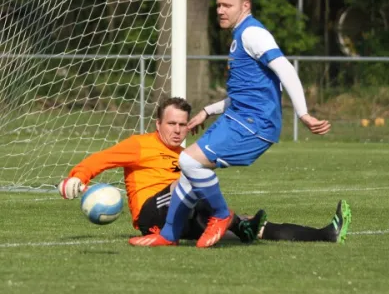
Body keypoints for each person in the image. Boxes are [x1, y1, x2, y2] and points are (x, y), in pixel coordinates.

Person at [129, 0, 335, 249]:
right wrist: (206, 111)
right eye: (218, 5)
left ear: (245, 6)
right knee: (188, 171)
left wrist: (303, 113)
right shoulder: (240, 37)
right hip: (237, 118)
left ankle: (221, 214)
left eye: (228, 5)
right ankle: (168, 235)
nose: (221, 10)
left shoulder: (253, 34)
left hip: (253, 124)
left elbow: (285, 69)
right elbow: (244, 93)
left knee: (189, 163)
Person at [57, 97, 265, 243]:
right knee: (192, 180)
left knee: (254, 230)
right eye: (171, 123)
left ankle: (251, 228)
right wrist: (77, 177)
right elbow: (101, 159)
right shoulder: (140, 144)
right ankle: (237, 223)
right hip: (151, 215)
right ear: (158, 124)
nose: (177, 129)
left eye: (182, 124)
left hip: (183, 217)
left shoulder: (186, 155)